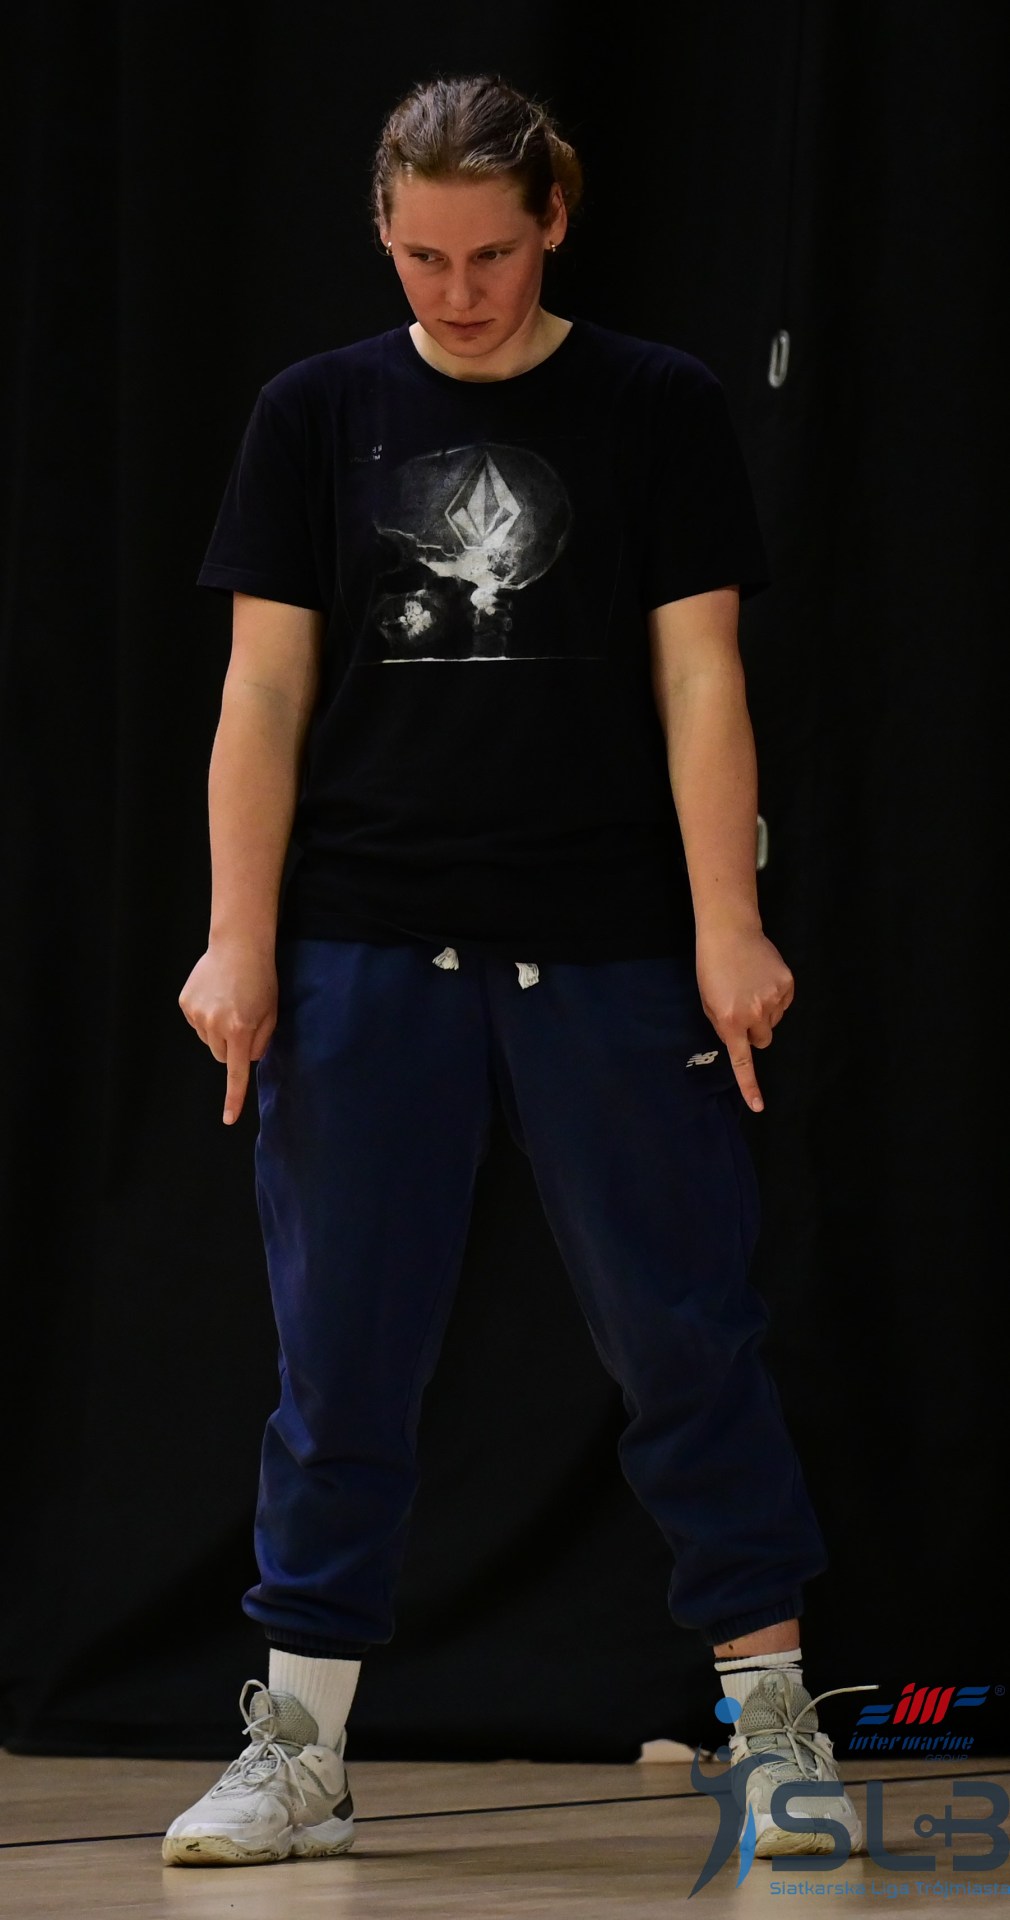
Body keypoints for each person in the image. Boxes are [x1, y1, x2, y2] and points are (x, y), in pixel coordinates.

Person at [165, 72, 867, 1871]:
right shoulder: (316, 411)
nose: (455, 290)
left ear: (552, 219)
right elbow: (262, 691)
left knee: (683, 1334)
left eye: (488, 253)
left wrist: (726, 918)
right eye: (420, 256)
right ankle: (301, 1752)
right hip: (363, 937)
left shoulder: (652, 402)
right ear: (381, 232)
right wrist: (236, 936)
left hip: (607, 941)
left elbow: (699, 676)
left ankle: (772, 1729)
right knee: (340, 1356)